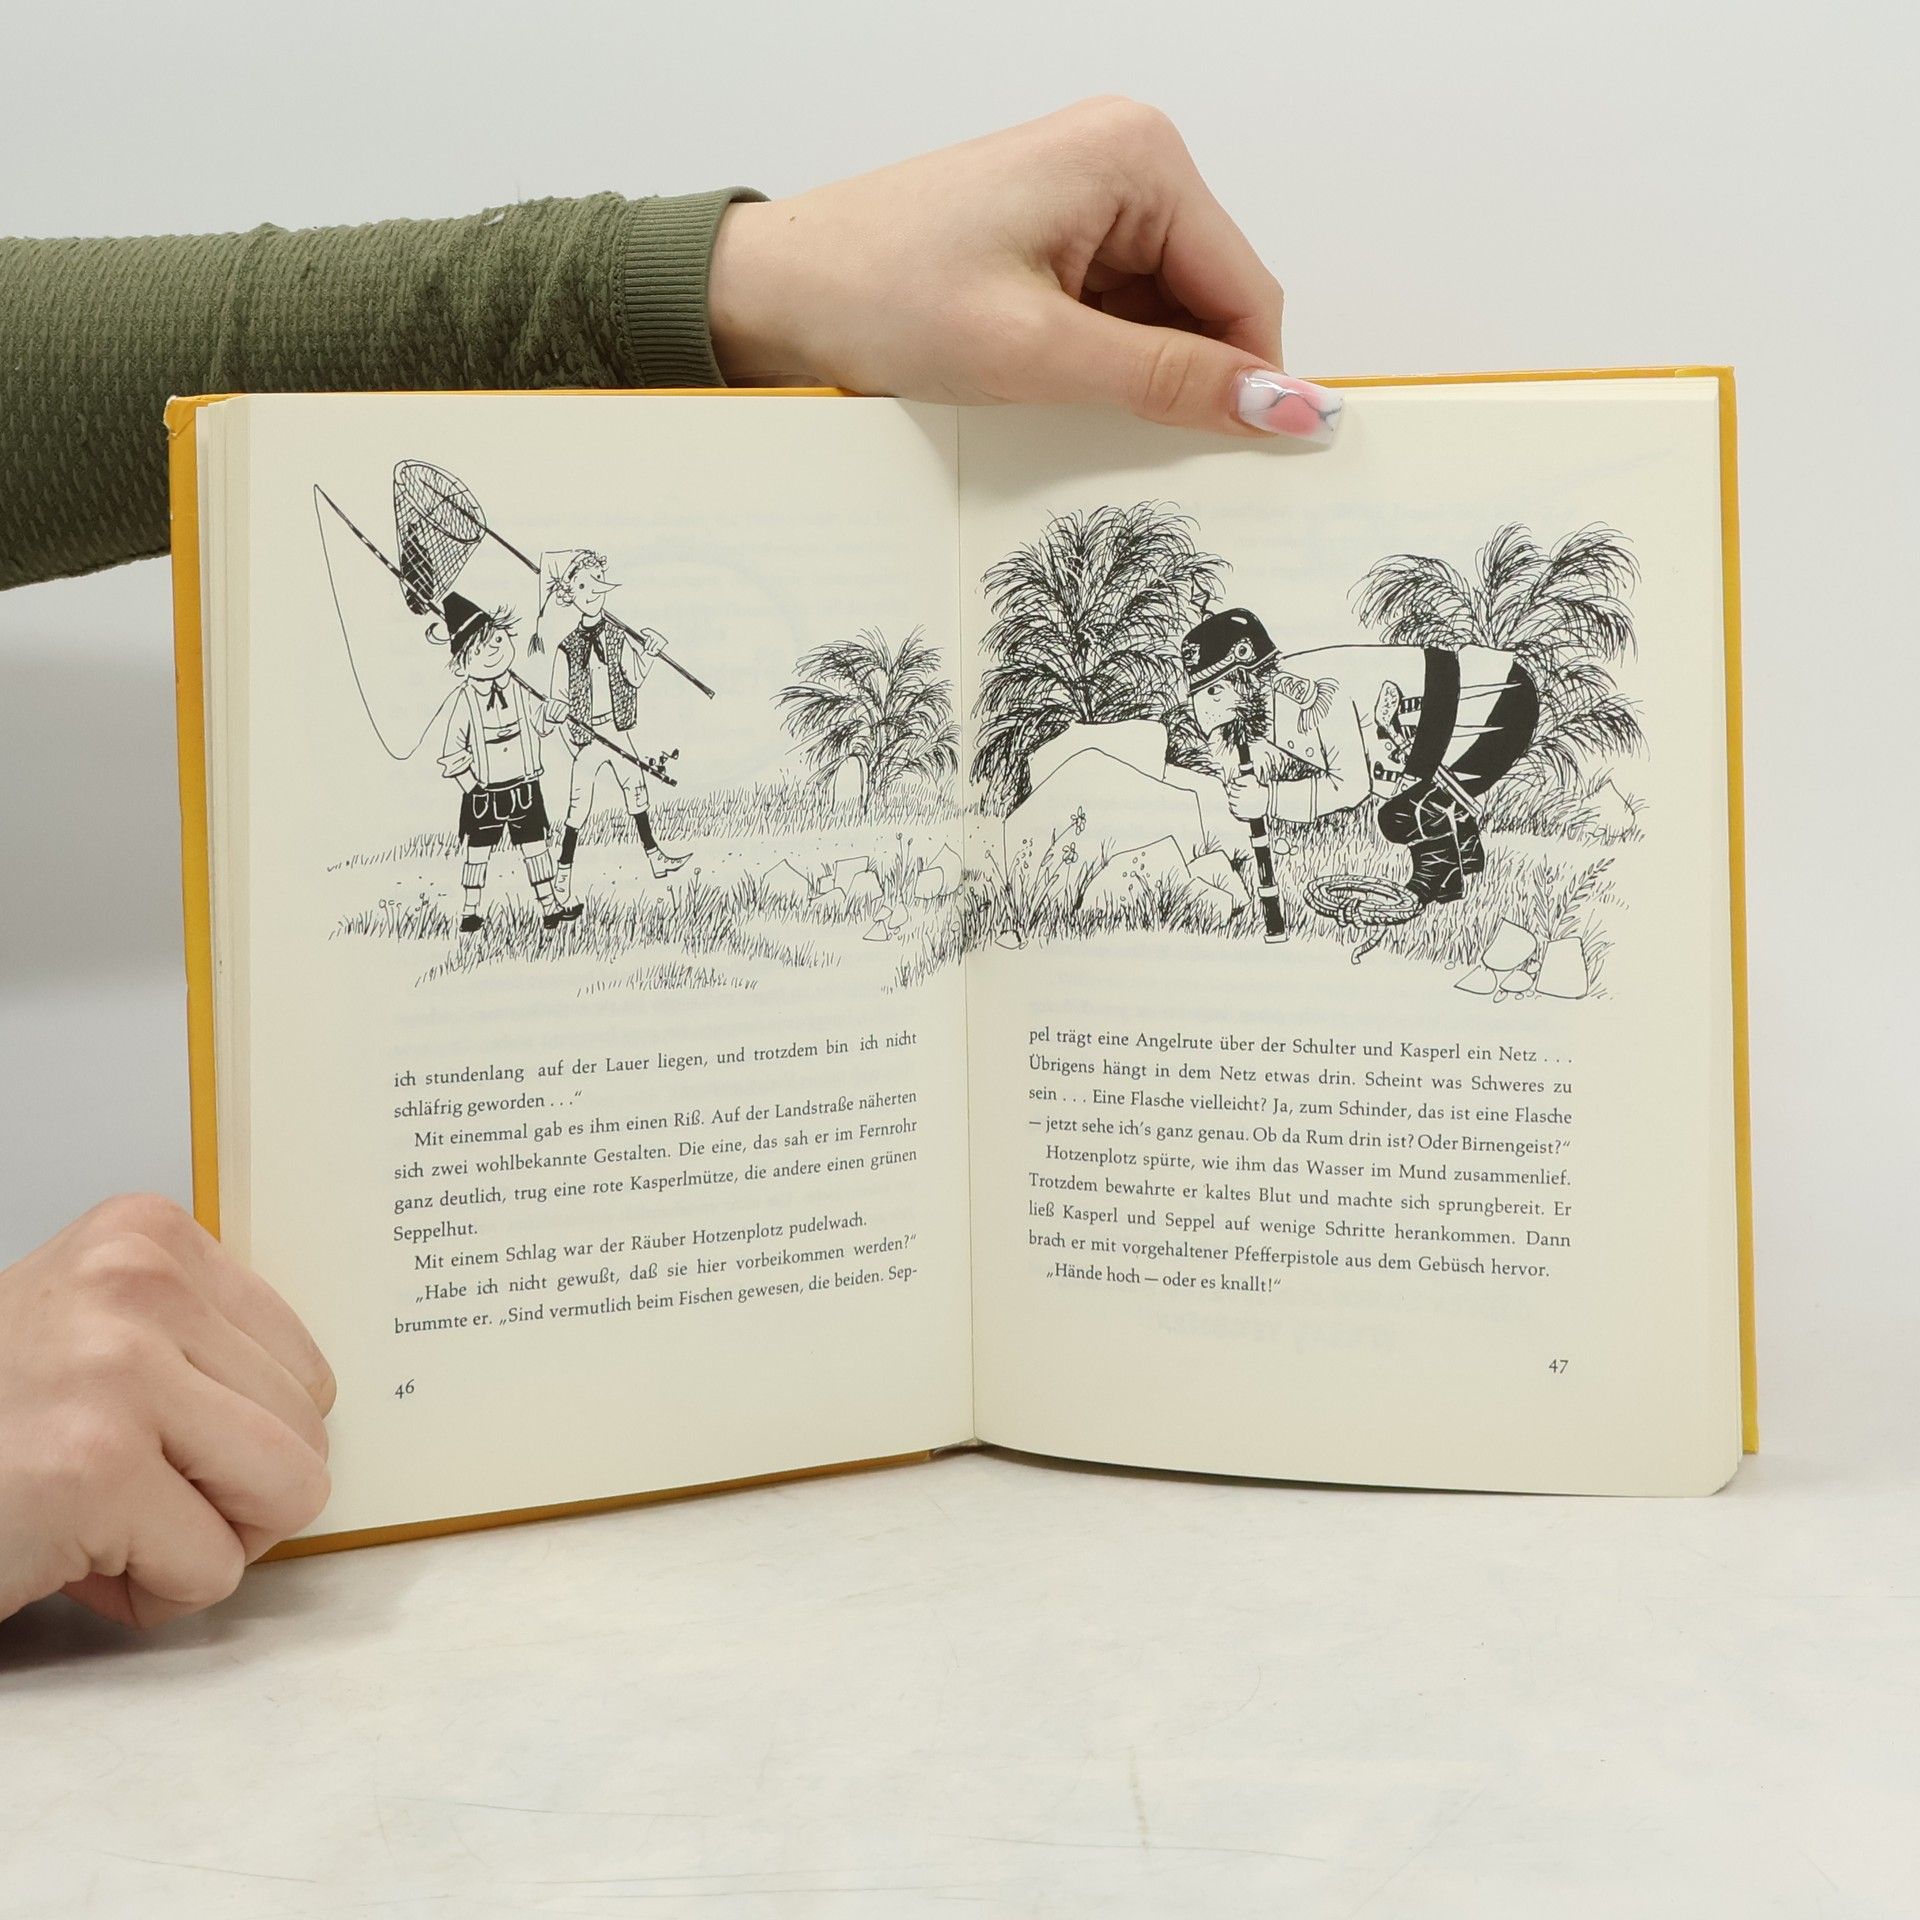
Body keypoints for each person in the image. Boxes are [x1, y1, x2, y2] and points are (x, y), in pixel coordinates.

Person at [0, 98, 1340, 1630]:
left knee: (564, 822)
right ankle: (525, 893)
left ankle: (561, 886)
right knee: (517, 831)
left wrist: (733, 281)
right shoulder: (505, 669)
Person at [1186, 608, 1538, 907]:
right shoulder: (1276, 699)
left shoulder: (1311, 696)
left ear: (1246, 677)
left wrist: (1268, 799)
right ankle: (1467, 858)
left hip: (1494, 704)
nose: (1207, 711)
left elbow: (1349, 786)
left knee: (1399, 814)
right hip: (1470, 712)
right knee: (1418, 794)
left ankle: (1440, 878)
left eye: (1216, 690)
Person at [539, 549, 689, 902]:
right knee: (578, 806)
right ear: (569, 594)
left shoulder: (618, 636)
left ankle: (656, 858)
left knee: (636, 789)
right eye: (582, 586)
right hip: (588, 737)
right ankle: (563, 874)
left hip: (616, 729)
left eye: (597, 583)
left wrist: (649, 653)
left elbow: (633, 676)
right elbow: (556, 699)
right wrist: (553, 713)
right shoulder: (566, 648)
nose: (592, 592)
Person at [435, 591, 580, 933]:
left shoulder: (519, 688)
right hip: (485, 794)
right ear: (462, 663)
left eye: (498, 640)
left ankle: (549, 906)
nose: (493, 650)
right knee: (477, 853)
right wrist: (472, 788)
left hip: (525, 788)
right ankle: (470, 911)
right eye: (480, 649)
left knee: (536, 848)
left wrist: (552, 714)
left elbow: (539, 724)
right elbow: (452, 751)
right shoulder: (465, 700)